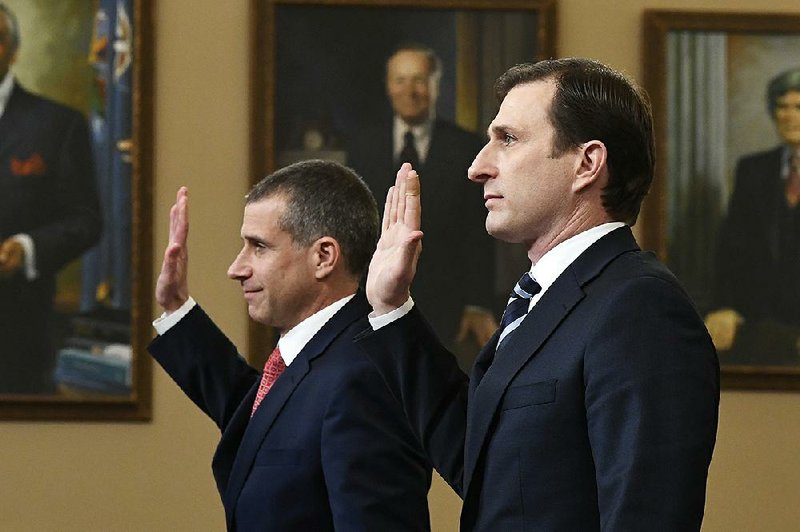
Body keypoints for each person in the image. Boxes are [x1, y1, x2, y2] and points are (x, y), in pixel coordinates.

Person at [357, 59, 720, 530]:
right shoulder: (543, 299)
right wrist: (392, 308)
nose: (477, 167)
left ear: (586, 163)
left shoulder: (641, 308)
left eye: (507, 140)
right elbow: (483, 466)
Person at [148, 160, 432, 531]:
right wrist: (176, 308)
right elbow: (261, 418)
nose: (237, 267)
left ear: (323, 257)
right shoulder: (323, 358)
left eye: (258, 247)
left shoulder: (364, 378)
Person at [347, 43, 498, 366]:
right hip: (370, 302)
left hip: (447, 307)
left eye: (419, 80)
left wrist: (476, 304)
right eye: (400, 80)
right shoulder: (362, 145)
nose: (410, 90)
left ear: (435, 85)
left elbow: (478, 232)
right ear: (388, 86)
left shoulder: (467, 146)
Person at [0, 3, 101, 394]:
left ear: (13, 50)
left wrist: (26, 250)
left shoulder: (57, 125)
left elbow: (86, 219)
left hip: (19, 336)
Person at [705, 66, 800, 365]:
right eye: (781, 107)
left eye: (798, 107)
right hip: (757, 322)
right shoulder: (754, 170)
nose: (788, 116)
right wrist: (723, 307)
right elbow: (732, 248)